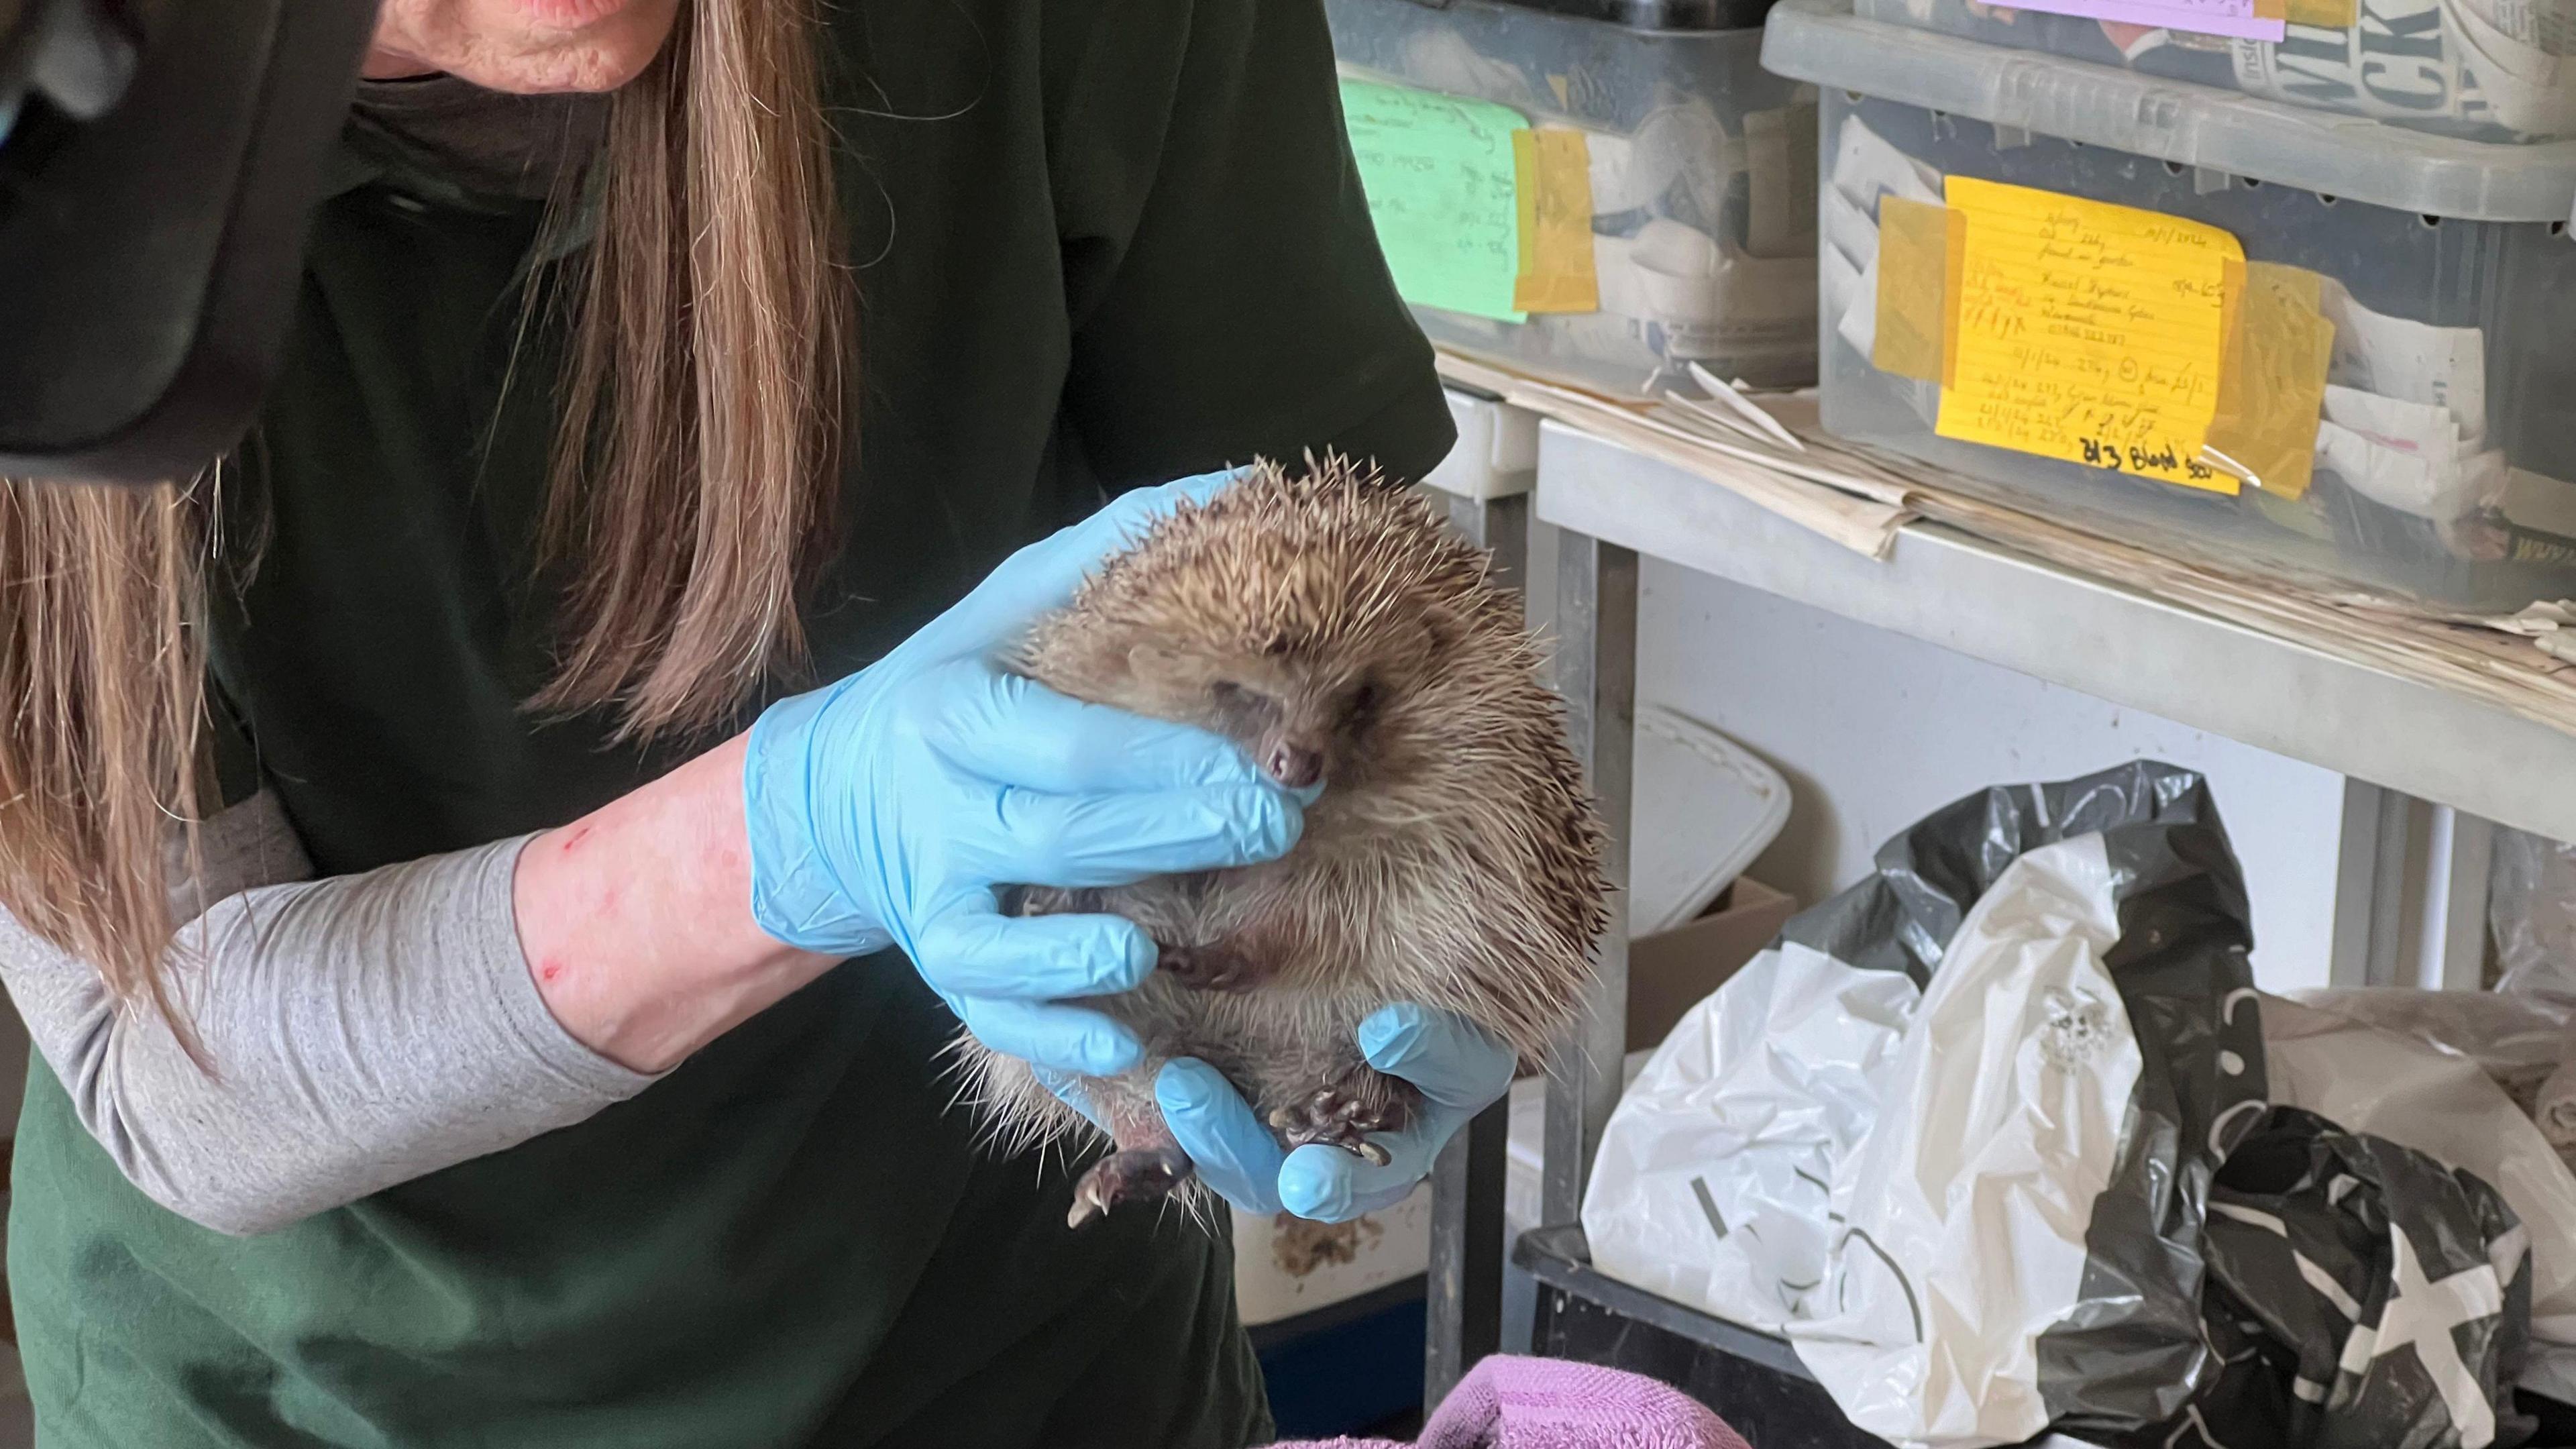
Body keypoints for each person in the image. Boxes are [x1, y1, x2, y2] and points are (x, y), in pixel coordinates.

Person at [0, 1, 1518, 1444]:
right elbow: (179, 1064)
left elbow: (1353, 587)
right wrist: (790, 837)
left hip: (1021, 1358)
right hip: (311, 1395)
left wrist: (1399, 944)